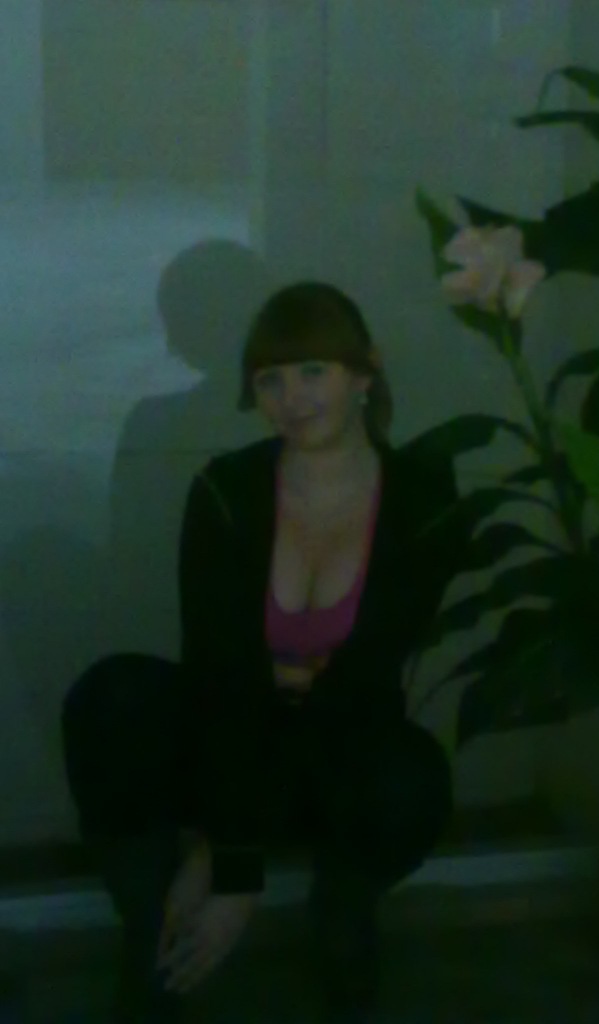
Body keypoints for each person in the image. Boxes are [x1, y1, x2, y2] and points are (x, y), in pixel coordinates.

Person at [61, 282, 470, 1023]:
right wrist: (234, 846)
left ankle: (342, 914)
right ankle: (153, 928)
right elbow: (221, 675)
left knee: (410, 777)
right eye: (270, 379)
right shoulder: (227, 489)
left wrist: (228, 863)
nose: (292, 398)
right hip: (231, 732)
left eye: (313, 370)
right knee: (113, 693)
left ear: (364, 372)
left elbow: (361, 682)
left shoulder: (424, 497)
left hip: (340, 745)